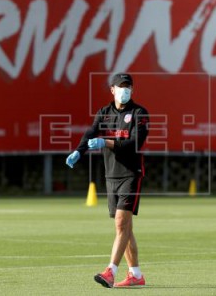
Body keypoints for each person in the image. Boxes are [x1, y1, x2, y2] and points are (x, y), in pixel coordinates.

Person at [66, 73, 149, 288]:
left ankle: (110, 271)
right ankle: (136, 275)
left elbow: (133, 143)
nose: (124, 90)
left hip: (131, 174)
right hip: (111, 175)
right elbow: (90, 132)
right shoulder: (104, 112)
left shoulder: (140, 113)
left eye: (128, 86)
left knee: (122, 223)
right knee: (124, 227)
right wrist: (79, 151)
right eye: (120, 86)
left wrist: (105, 142)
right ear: (112, 89)